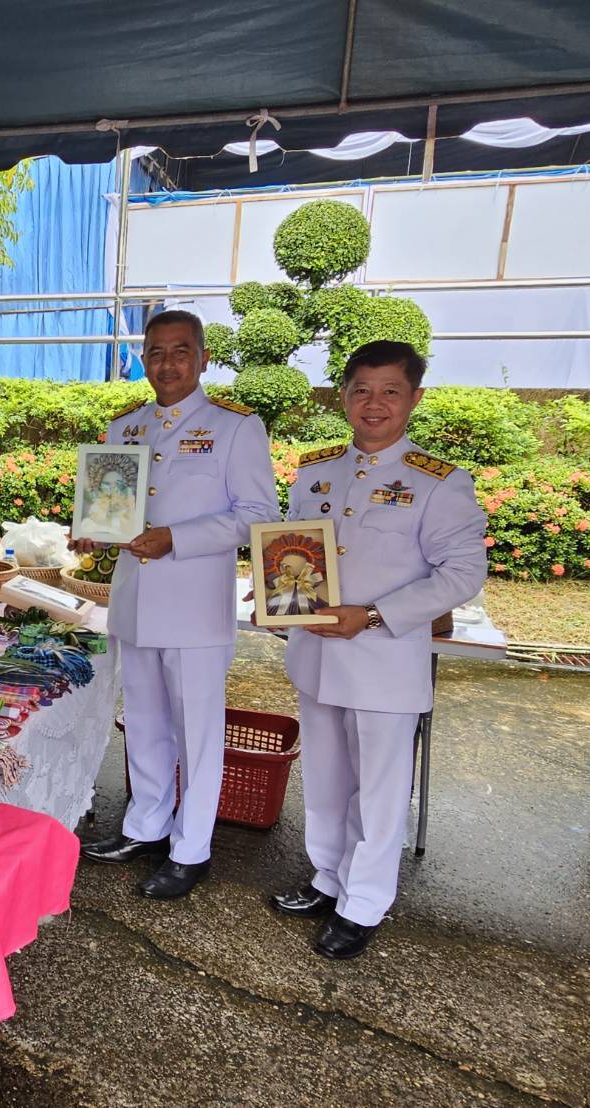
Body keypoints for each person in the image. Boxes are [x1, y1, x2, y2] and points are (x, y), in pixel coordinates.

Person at [269, 341, 486, 959]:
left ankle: (363, 905)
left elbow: (462, 574)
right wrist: (283, 597)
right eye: (362, 389)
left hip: (385, 660)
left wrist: (374, 615)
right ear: (344, 396)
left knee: (381, 790)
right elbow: (295, 552)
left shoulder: (439, 482)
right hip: (316, 654)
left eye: (390, 391)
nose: (374, 403)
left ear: (414, 398)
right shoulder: (315, 472)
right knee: (329, 779)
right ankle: (328, 879)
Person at [75, 309, 279, 897]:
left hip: (194, 605)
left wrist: (177, 538)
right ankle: (145, 825)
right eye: (156, 352)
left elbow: (258, 516)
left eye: (180, 351)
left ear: (203, 357)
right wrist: (94, 529)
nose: (167, 364)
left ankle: (192, 849)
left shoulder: (237, 427)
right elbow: (113, 508)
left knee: (197, 730)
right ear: (143, 358)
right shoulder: (126, 428)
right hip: (136, 599)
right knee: (143, 720)